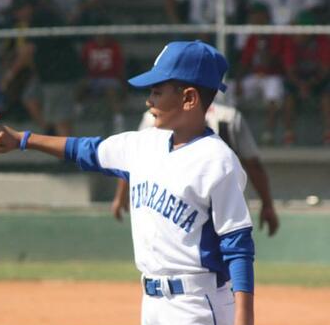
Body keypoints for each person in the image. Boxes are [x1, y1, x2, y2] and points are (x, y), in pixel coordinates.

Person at [0, 40, 261, 325]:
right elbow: (85, 150)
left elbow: (238, 246)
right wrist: (22, 139)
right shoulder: (144, 144)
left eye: (157, 91)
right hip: (152, 305)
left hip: (198, 307)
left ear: (188, 98)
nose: (148, 100)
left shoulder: (218, 161)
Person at [112, 100, 280, 237]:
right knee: (231, 257)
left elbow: (135, 157)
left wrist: (120, 196)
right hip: (226, 206)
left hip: (175, 206)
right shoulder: (229, 116)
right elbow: (253, 165)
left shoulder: (156, 116)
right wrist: (267, 204)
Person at [2, 0, 84, 136]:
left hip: (59, 74)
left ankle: (68, 153)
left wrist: (9, 76)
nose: (16, 15)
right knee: (30, 97)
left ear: (27, 7)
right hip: (46, 73)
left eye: (18, 11)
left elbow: (27, 51)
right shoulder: (35, 19)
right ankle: (51, 133)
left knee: (61, 118)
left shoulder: (41, 17)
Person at [235, 3, 285, 144]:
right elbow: (244, 62)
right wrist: (239, 82)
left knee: (273, 90)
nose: (254, 18)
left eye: (258, 15)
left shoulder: (276, 35)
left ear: (266, 17)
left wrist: (263, 44)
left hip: (272, 76)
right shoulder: (252, 37)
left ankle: (268, 133)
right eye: (253, 15)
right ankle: (233, 132)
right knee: (229, 89)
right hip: (255, 77)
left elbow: (271, 62)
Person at [281, 12, 330, 145]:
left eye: (300, 30)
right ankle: (289, 134)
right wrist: (301, 85)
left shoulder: (322, 42)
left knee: (327, 95)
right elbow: (290, 70)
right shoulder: (291, 43)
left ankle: (328, 133)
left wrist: (310, 84)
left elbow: (325, 70)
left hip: (317, 79)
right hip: (298, 79)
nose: (296, 34)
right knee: (288, 96)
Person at [78, 25, 126, 133]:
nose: (101, 38)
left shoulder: (114, 47)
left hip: (110, 78)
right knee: (80, 85)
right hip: (93, 78)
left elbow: (120, 67)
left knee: (111, 89)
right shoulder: (89, 46)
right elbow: (82, 64)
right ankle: (78, 108)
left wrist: (123, 83)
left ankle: (118, 119)